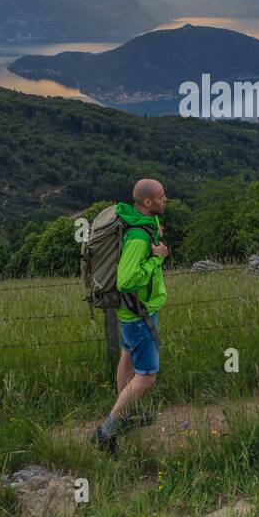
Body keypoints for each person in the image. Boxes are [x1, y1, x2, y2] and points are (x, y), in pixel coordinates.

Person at [91, 178, 168, 450]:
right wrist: (157, 257)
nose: (165, 199)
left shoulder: (142, 222)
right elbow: (126, 280)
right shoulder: (137, 236)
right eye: (161, 196)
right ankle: (107, 430)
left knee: (127, 355)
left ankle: (124, 413)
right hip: (138, 314)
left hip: (134, 311)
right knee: (146, 377)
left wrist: (155, 242)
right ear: (147, 202)